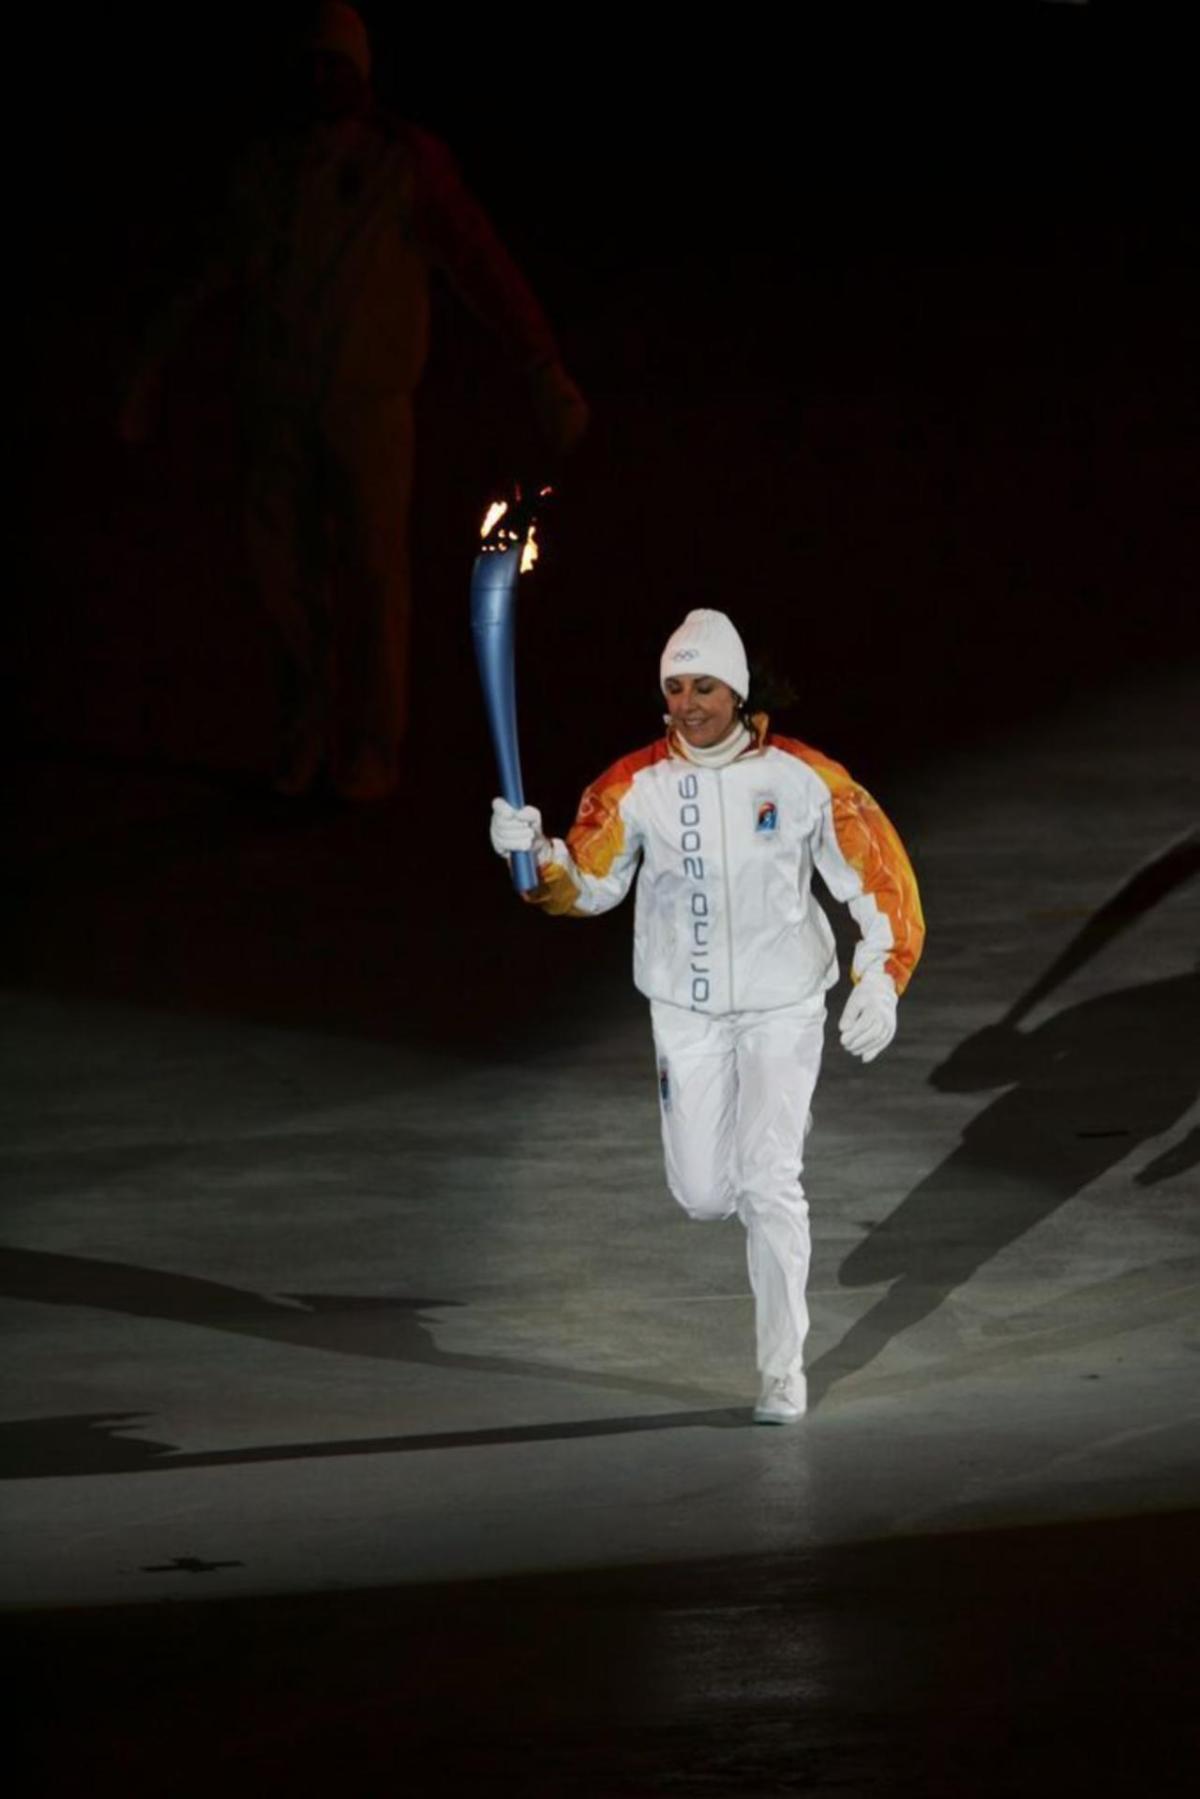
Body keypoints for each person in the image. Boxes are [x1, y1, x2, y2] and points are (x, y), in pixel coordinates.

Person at [119, 1, 588, 802]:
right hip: (275, 404)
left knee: (372, 574)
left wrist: (542, 363)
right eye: (310, 63)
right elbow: (202, 279)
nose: (320, 77)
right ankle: (304, 735)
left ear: (361, 74)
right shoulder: (262, 171)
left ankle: (372, 749)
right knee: (280, 576)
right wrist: (146, 372)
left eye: (335, 64)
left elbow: (478, 262)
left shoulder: (401, 165)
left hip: (368, 406)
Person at [488, 609, 925, 1422]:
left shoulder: (804, 778)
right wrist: (535, 856)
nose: (688, 702)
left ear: (739, 688)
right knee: (701, 1192)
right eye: (675, 686)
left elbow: (880, 878)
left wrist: (880, 977)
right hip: (684, 1011)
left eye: (705, 685)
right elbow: (586, 886)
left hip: (783, 1007)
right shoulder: (634, 785)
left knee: (771, 1182)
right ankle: (744, 1220)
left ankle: (781, 1371)